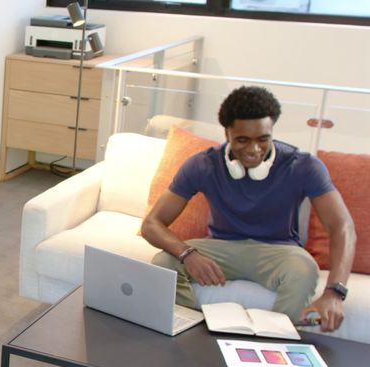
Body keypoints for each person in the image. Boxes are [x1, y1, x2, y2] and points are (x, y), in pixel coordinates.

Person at [142, 86, 355, 333]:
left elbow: (342, 226)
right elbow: (151, 224)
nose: (254, 150)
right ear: (227, 133)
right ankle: (193, 333)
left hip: (279, 252)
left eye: (263, 139)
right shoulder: (202, 164)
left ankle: (275, 340)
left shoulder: (304, 166)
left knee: (304, 270)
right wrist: (187, 254)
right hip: (222, 249)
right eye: (243, 140)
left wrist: (335, 292)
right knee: (163, 262)